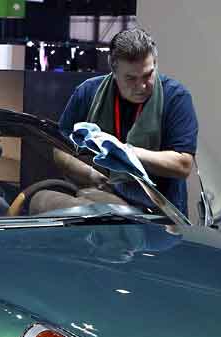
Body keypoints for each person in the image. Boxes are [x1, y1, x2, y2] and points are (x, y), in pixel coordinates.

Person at [58, 27, 199, 216]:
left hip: (161, 217)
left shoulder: (175, 97)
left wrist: (125, 153)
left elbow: (182, 164)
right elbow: (59, 148)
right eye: (131, 78)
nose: (141, 86)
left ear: (155, 64)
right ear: (114, 70)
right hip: (97, 209)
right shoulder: (87, 93)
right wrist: (90, 174)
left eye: (148, 75)